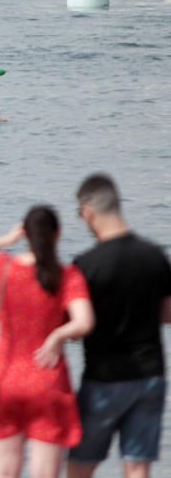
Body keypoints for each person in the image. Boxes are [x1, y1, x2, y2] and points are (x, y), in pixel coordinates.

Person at [0, 207, 94, 478]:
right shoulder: (67, 276)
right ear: (58, 234)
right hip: (48, 381)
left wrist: (7, 240)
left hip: (5, 379)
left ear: (25, 235)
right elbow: (84, 322)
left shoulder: (4, 269)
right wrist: (57, 335)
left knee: (4, 472)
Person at [68, 174, 171, 478]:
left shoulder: (86, 264)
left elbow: (79, 325)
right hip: (150, 375)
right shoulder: (154, 256)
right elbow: (167, 315)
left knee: (80, 466)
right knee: (138, 466)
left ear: (88, 210)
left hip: (104, 377)